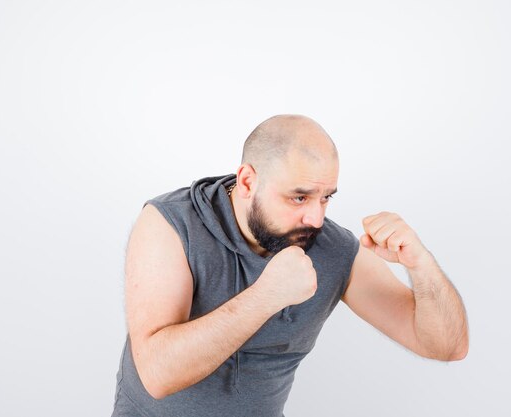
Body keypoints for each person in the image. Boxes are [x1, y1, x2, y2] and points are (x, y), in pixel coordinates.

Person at [110, 114, 469, 417]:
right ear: (248, 181)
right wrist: (266, 297)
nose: (314, 218)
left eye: (325, 198)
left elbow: (446, 346)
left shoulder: (331, 247)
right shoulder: (171, 223)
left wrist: (421, 265)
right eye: (299, 197)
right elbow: (156, 375)